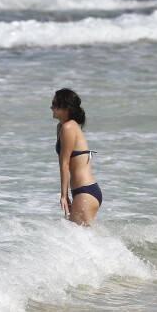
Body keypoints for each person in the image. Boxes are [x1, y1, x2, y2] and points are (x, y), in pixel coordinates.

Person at [51, 88, 102, 226]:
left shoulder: (68, 127)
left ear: (66, 107)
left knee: (83, 238)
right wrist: (67, 194)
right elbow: (63, 163)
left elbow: (65, 164)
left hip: (86, 191)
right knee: (83, 237)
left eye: (55, 104)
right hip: (81, 191)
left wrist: (63, 195)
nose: (51, 107)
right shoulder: (61, 127)